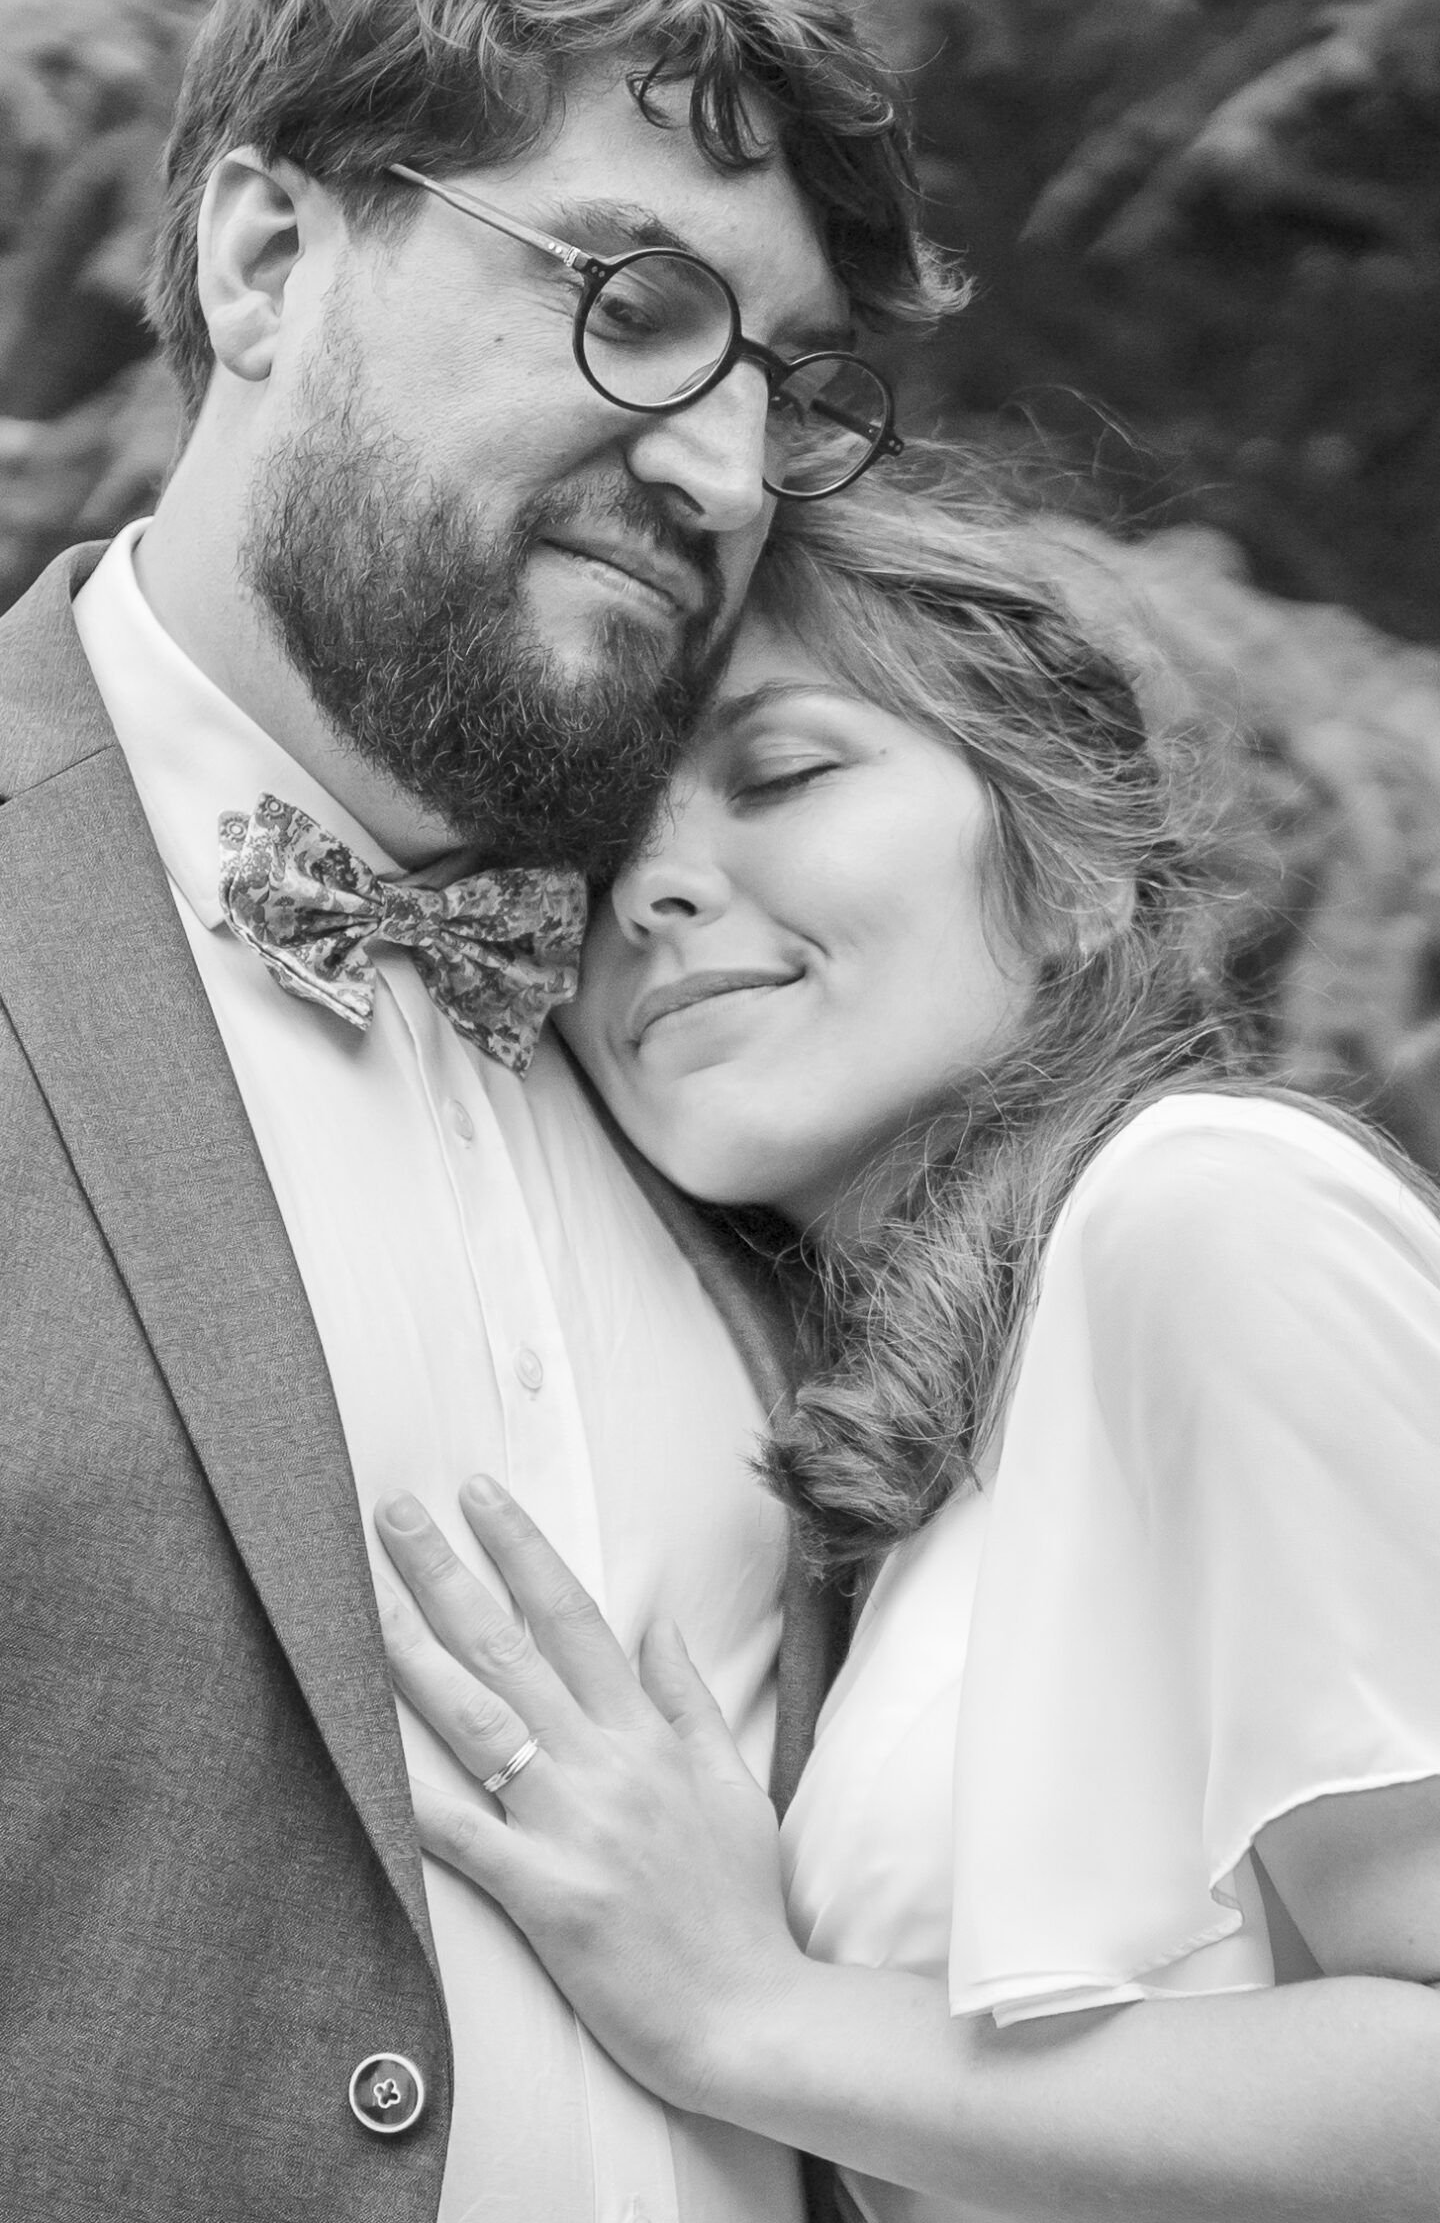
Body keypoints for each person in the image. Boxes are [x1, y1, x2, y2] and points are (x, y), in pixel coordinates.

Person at [0, 0, 952, 2222]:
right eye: (635, 299)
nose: (723, 467)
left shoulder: (752, 1038)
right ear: (265, 255)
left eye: (783, 383)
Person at [373, 474, 1440, 2223]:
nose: (650, 891)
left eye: (783, 775)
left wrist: (749, 2016)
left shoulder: (1207, 1211)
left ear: (1075, 871)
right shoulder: (918, 1440)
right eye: (597, 845)